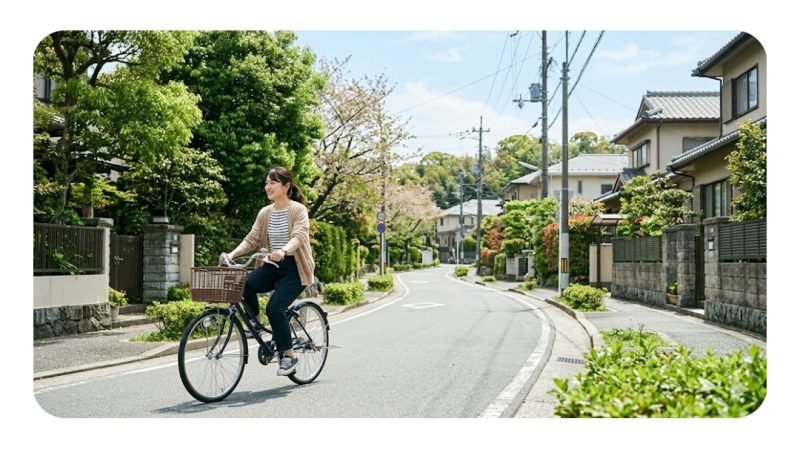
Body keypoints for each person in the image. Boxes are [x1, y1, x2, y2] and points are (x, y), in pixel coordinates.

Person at [222, 166, 315, 376]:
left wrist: (283, 250)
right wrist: (232, 254)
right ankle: (255, 323)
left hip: (294, 269)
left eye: (272, 183)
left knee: (275, 308)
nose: (268, 187)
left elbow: (299, 236)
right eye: (266, 183)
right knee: (243, 284)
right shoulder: (265, 212)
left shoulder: (298, 210)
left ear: (286, 186)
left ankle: (289, 356)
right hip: (272, 265)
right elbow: (252, 238)